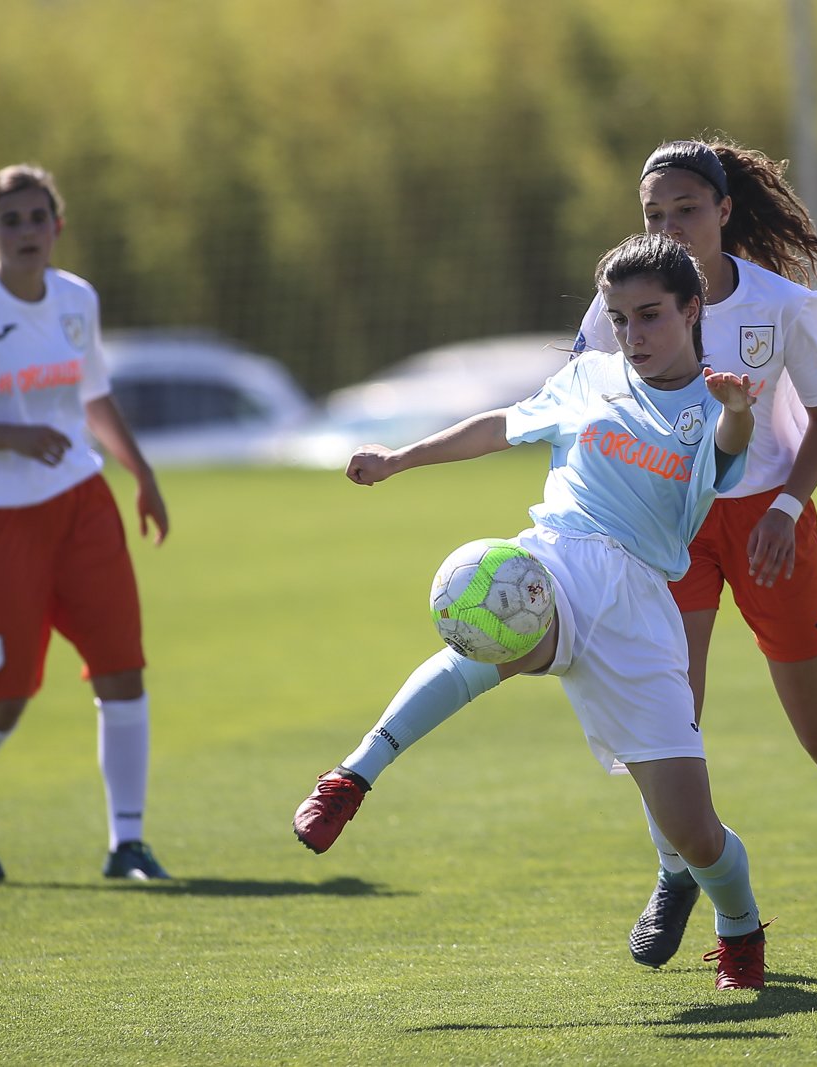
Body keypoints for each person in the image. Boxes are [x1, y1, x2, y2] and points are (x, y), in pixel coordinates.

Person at [294, 233, 771, 990]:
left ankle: (740, 930)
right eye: (620, 319)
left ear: (692, 308)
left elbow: (728, 449)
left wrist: (740, 409)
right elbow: (498, 425)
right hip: (557, 554)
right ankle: (353, 775)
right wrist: (398, 459)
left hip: (640, 606)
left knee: (693, 831)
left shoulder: (712, 403)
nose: (634, 334)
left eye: (650, 316)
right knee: (495, 629)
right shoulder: (589, 377)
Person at [570, 139, 817, 964]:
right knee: (667, 722)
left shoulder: (783, 306)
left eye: (686, 208)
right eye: (654, 214)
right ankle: (676, 871)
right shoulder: (621, 307)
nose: (671, 226)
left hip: (767, 525)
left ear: (723, 211)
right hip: (669, 528)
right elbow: (584, 419)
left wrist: (787, 505)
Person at [0, 164, 172, 883]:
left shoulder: (77, 299)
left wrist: (140, 475)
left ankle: (129, 844)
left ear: (58, 226)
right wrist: (12, 436)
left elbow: (94, 396)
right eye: (11, 220)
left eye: (37, 218)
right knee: (4, 700)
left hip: (82, 504)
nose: (26, 232)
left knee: (123, 669)